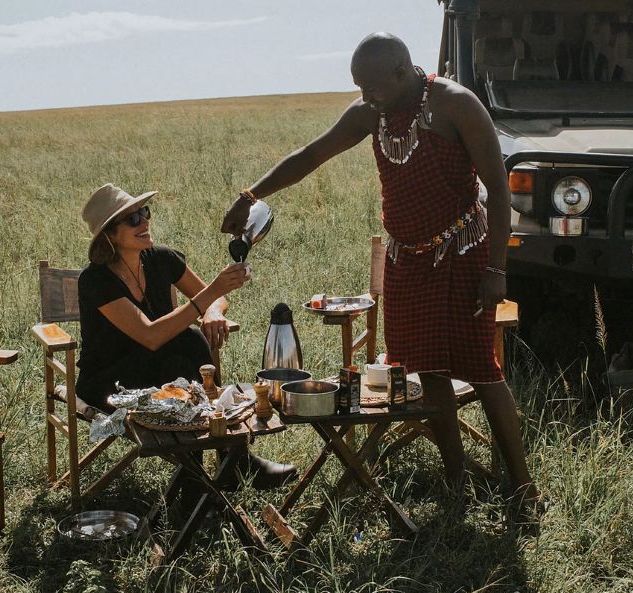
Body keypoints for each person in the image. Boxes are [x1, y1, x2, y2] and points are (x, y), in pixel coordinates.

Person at [221, 33, 535, 507]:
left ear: (401, 72)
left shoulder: (456, 105)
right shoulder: (372, 113)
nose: (364, 97)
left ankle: (524, 489)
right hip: (406, 259)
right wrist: (250, 196)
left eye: (370, 87)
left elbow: (499, 186)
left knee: (481, 371)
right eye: (359, 88)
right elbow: (311, 155)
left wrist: (497, 268)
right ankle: (456, 483)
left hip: (463, 253)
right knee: (428, 370)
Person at [78, 182, 296, 487]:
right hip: (110, 382)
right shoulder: (95, 281)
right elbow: (150, 336)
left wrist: (214, 311)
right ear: (110, 235)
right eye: (133, 219)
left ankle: (210, 470)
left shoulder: (161, 258)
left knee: (185, 348)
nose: (144, 221)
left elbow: (213, 298)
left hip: (160, 374)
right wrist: (210, 295)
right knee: (187, 342)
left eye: (144, 212)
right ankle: (217, 468)